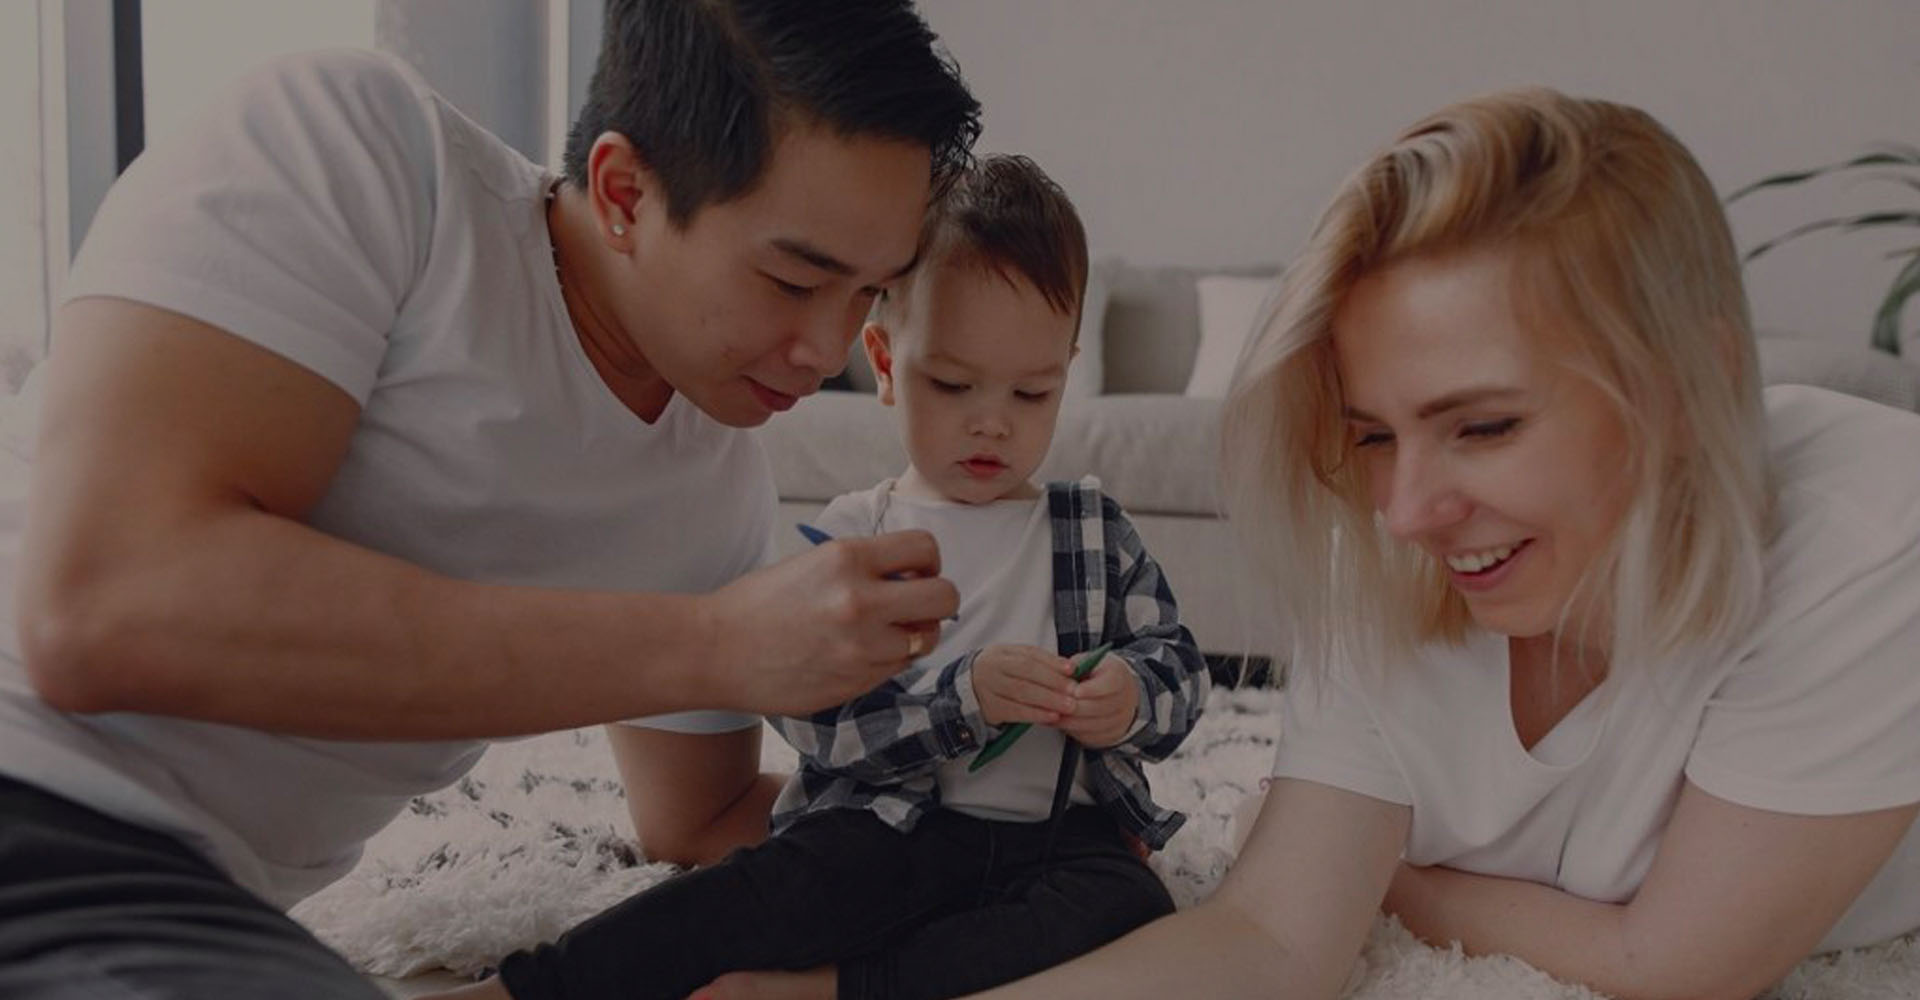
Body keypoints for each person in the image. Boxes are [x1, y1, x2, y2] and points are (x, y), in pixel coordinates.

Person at [0, 2, 981, 997]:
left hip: (188, 902)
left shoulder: (713, 485)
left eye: (870, 293)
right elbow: (104, 605)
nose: (826, 352)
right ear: (625, 192)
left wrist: (981, 814)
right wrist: (715, 643)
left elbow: (700, 817)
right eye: (791, 278)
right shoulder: (366, 151)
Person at [963, 89, 1920, 1000]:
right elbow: (1269, 940)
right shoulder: (1382, 554)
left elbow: (1678, 964)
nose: (1407, 512)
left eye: (1485, 427)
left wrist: (1403, 882)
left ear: (1685, 387)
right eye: (1372, 434)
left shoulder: (1868, 528)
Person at [425, 154, 1211, 1000]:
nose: (992, 421)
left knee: (1131, 905)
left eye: (1033, 392)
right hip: (889, 834)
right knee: (758, 891)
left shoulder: (1092, 530)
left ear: (1068, 367)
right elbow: (821, 726)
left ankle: (832, 989)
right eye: (951, 383)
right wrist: (963, 700)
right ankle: (532, 989)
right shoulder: (853, 537)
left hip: (1061, 838)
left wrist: (1131, 693)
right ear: (883, 359)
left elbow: (1178, 666)